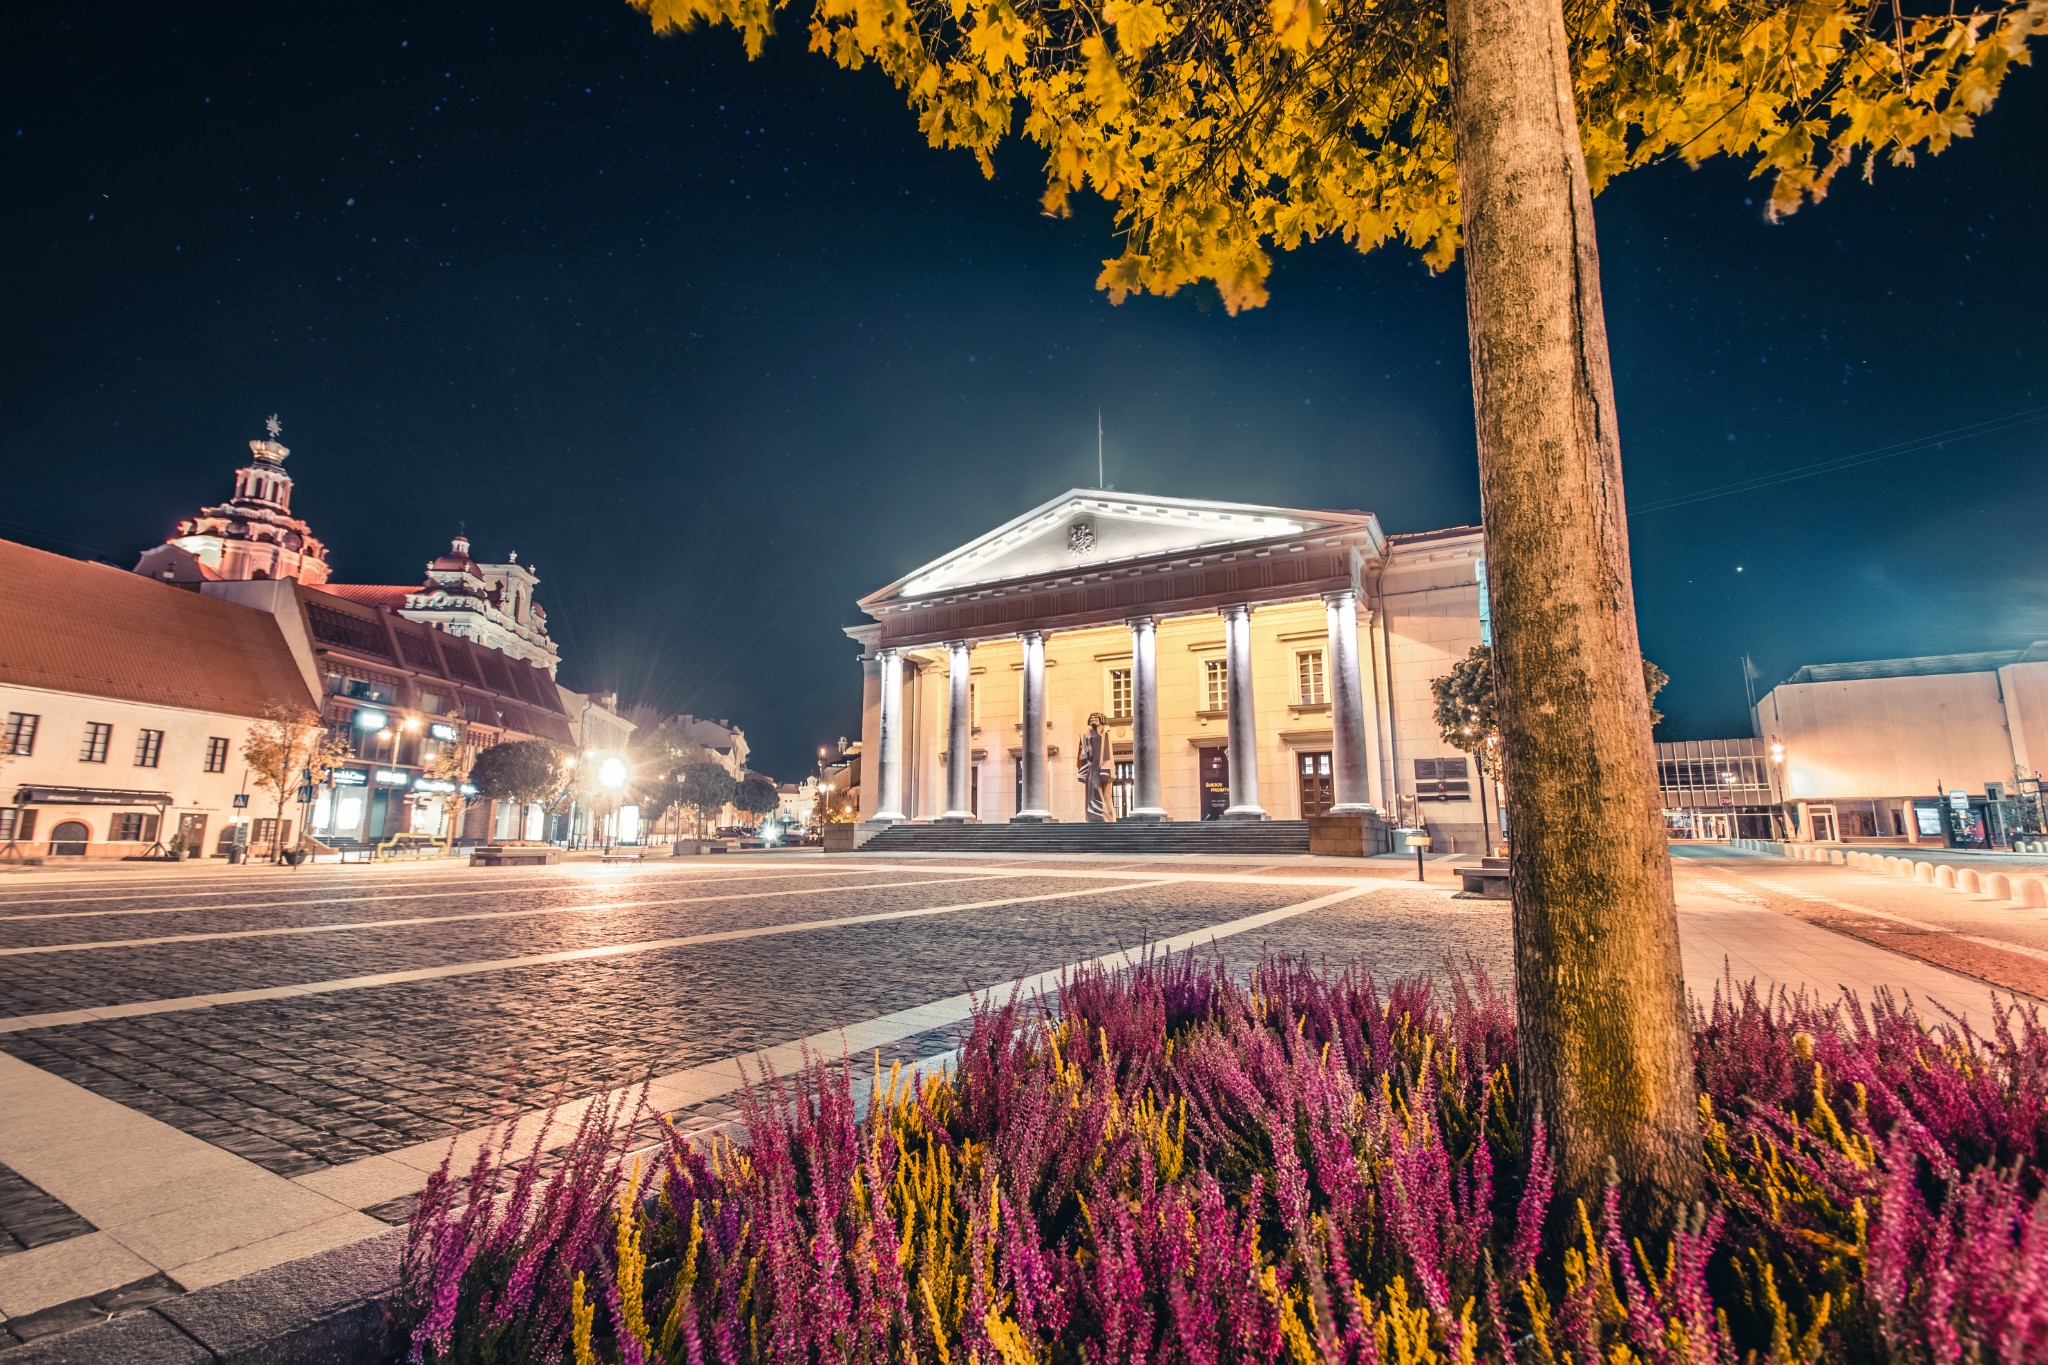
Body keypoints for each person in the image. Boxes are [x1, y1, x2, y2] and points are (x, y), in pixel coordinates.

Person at [1077, 712, 1114, 822]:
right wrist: (1082, 772)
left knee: (1104, 793)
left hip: (1102, 769)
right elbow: (1083, 754)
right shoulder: (1086, 735)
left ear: (1101, 720)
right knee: (1092, 791)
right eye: (1091, 718)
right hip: (1091, 769)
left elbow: (1108, 752)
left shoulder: (1105, 735)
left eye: (1095, 718)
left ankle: (1105, 815)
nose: (1093, 719)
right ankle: (1093, 815)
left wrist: (1105, 769)